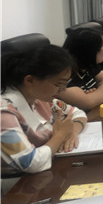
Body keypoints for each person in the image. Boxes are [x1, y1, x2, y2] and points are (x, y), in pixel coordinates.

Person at [1, 45, 87, 174]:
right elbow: (31, 162)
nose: (62, 90)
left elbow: (77, 113)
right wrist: (60, 135)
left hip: (49, 168)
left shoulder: (40, 98)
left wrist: (72, 133)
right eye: (58, 84)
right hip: (18, 181)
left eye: (65, 84)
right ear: (30, 80)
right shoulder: (4, 112)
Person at [55, 28, 103, 111]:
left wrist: (97, 93)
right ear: (91, 51)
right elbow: (88, 103)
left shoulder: (88, 65)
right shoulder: (64, 74)